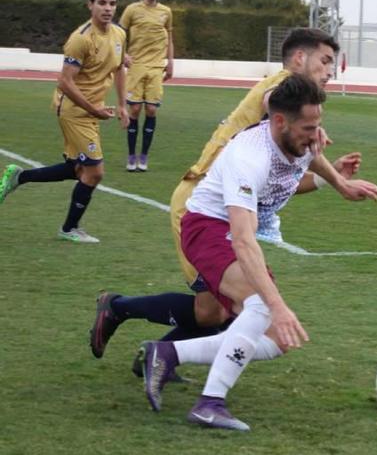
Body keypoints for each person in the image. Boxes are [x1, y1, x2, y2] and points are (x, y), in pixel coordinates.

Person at [89, 28, 349, 370]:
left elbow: (279, 183)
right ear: (300, 59)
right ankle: (128, 320)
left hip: (221, 208)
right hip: (199, 205)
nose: (329, 70)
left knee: (214, 310)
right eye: (325, 60)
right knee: (228, 307)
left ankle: (149, 349)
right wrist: (318, 139)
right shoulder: (280, 87)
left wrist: (336, 181)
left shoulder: (288, 124)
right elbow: (274, 101)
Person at [139, 74, 377, 430]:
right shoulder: (247, 157)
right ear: (279, 121)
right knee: (261, 306)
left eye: (319, 125)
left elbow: (305, 164)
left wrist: (339, 184)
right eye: (309, 127)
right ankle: (210, 403)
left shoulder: (298, 140)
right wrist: (277, 305)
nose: (317, 136)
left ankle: (167, 353)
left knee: (274, 340)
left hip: (230, 231)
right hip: (207, 228)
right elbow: (242, 239)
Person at [0, 0, 128, 242]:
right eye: (101, 3)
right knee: (95, 171)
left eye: (112, 3)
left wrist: (123, 105)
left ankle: (19, 177)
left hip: (92, 110)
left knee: (77, 169)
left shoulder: (119, 35)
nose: (107, 8)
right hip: (73, 110)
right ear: (90, 5)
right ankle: (69, 229)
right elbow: (65, 82)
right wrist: (95, 109)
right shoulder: (80, 39)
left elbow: (119, 69)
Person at [119, 0, 174, 172]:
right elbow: (118, 34)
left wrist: (171, 62)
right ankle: (131, 155)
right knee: (134, 111)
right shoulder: (132, 10)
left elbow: (169, 36)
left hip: (157, 66)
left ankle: (144, 156)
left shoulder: (166, 12)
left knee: (151, 110)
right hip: (136, 66)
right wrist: (123, 54)